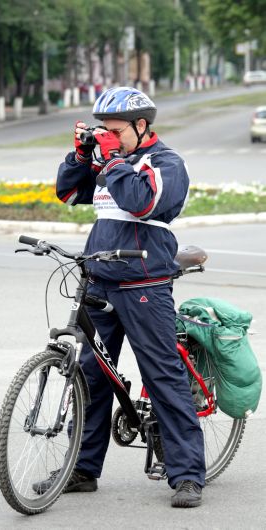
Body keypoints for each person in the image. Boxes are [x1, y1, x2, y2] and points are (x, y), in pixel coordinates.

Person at [33, 86, 206, 508]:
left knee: (161, 375)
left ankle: (186, 476)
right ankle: (82, 469)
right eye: (101, 130)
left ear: (141, 125)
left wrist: (111, 160)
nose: (106, 137)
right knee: (91, 379)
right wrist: (79, 158)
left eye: (114, 130)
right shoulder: (112, 161)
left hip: (144, 284)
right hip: (101, 280)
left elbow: (144, 204)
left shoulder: (165, 163)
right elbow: (71, 195)